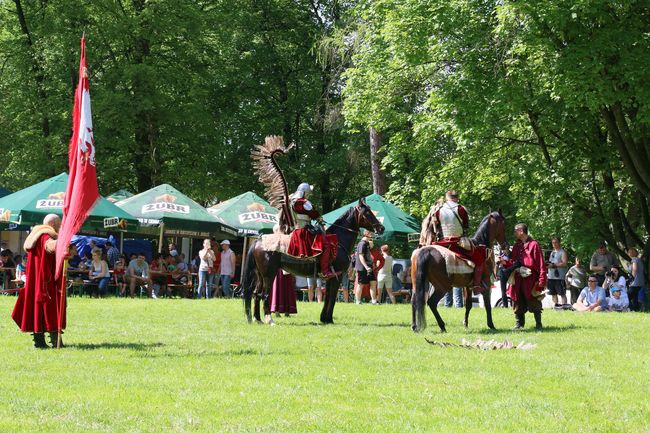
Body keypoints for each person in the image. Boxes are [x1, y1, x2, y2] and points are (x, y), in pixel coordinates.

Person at [11, 214, 65, 348]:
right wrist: (62, 242)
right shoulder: (44, 235)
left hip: (37, 282)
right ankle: (55, 341)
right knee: (51, 309)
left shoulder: (36, 235)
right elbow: (49, 246)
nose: (59, 228)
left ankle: (39, 342)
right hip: (45, 282)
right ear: (52, 224)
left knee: (37, 310)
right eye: (58, 225)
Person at [286, 182, 336, 279]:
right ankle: (324, 271)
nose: (308, 195)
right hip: (304, 230)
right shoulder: (302, 202)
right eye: (308, 193)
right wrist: (318, 218)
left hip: (299, 229)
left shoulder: (293, 201)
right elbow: (313, 212)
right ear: (304, 192)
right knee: (326, 244)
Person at [504, 223, 547, 330]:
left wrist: (542, 280)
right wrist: (504, 262)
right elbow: (512, 261)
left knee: (532, 299)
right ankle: (519, 323)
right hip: (517, 277)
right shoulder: (516, 246)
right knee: (517, 299)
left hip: (530, 278)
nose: (514, 233)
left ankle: (538, 324)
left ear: (521, 231)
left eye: (515, 231)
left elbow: (541, 263)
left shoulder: (534, 245)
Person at [354, 231, 376, 304]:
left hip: (369, 266)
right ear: (367, 234)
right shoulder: (362, 244)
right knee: (361, 284)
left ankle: (374, 301)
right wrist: (366, 267)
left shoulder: (366, 243)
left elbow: (371, 247)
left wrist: (371, 243)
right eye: (371, 233)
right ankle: (358, 301)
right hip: (362, 267)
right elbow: (361, 256)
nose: (373, 235)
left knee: (373, 283)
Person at [546, 237, 568, 307]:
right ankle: (556, 306)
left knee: (562, 293)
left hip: (559, 277)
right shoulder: (552, 252)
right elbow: (551, 262)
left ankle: (564, 306)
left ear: (559, 243)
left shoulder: (563, 252)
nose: (554, 244)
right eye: (553, 242)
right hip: (551, 276)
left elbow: (564, 263)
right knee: (553, 293)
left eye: (556, 242)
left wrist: (553, 265)